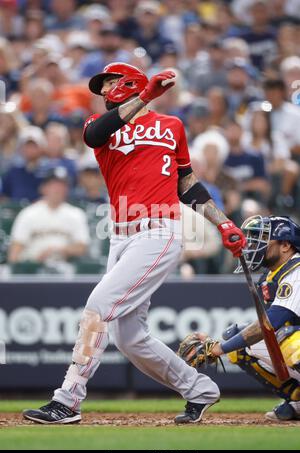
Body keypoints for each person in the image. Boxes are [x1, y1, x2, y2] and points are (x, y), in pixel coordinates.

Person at [23, 62, 245, 425]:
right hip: (122, 235)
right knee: (129, 338)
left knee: (98, 306)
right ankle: (199, 389)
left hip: (159, 230)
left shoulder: (172, 125)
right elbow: (94, 137)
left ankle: (67, 400)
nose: (105, 91)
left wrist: (223, 224)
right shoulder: (102, 127)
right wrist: (145, 95)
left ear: (128, 82)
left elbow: (186, 183)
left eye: (110, 83)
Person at [190, 215, 300, 421]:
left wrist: (220, 348)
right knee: (238, 342)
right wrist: (224, 343)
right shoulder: (271, 275)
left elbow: (272, 321)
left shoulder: (297, 269)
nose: (255, 243)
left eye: (264, 237)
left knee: (292, 341)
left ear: (285, 245)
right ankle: (297, 399)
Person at [8, 167, 89, 264]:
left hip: (65, 268)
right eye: (54, 185)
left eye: (62, 185)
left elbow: (82, 247)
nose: (58, 189)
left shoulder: (76, 214)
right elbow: (15, 250)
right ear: (43, 188)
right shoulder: (28, 213)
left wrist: (57, 250)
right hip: (34, 267)